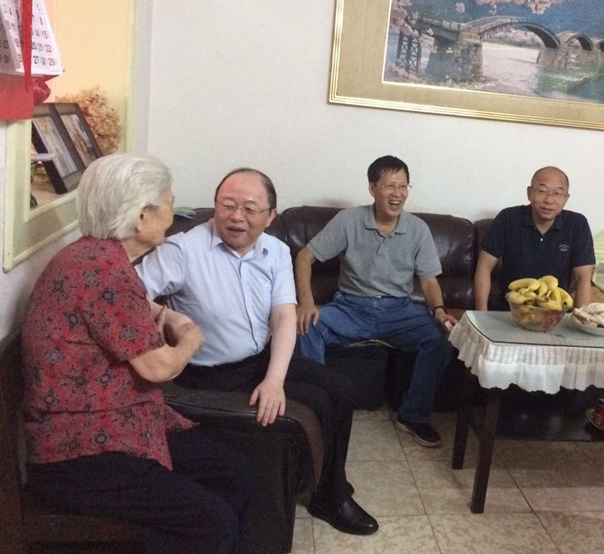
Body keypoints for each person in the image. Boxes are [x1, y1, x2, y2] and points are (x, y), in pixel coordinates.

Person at [21, 153, 255, 554]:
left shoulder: (95, 256)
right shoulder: (103, 271)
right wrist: (190, 341)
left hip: (118, 422)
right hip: (79, 452)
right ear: (142, 216)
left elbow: (125, 306)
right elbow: (159, 368)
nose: (173, 213)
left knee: (236, 473)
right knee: (213, 523)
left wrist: (164, 313)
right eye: (169, 203)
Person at [136, 167, 379, 536]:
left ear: (270, 216)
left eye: (250, 209)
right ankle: (328, 491)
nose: (236, 216)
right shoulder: (183, 250)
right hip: (209, 374)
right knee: (315, 400)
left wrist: (274, 379)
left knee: (341, 391)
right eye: (227, 205)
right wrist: (166, 315)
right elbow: (127, 291)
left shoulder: (276, 251)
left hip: (260, 359)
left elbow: (284, 316)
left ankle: (329, 490)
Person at [295, 155, 456, 448]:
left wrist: (438, 310)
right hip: (351, 308)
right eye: (389, 186)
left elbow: (429, 281)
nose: (397, 194)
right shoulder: (349, 220)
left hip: (400, 311)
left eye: (403, 186)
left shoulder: (418, 229)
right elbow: (304, 257)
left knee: (440, 340)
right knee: (305, 327)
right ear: (372, 188)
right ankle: (318, 411)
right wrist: (306, 303)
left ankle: (413, 415)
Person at [474, 166, 595, 311]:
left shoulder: (577, 224)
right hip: (508, 310)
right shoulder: (508, 218)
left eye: (557, 193)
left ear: (566, 198)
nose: (549, 200)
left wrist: (582, 318)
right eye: (542, 191)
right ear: (529, 193)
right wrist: (480, 314)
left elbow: (583, 278)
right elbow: (484, 266)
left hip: (556, 312)